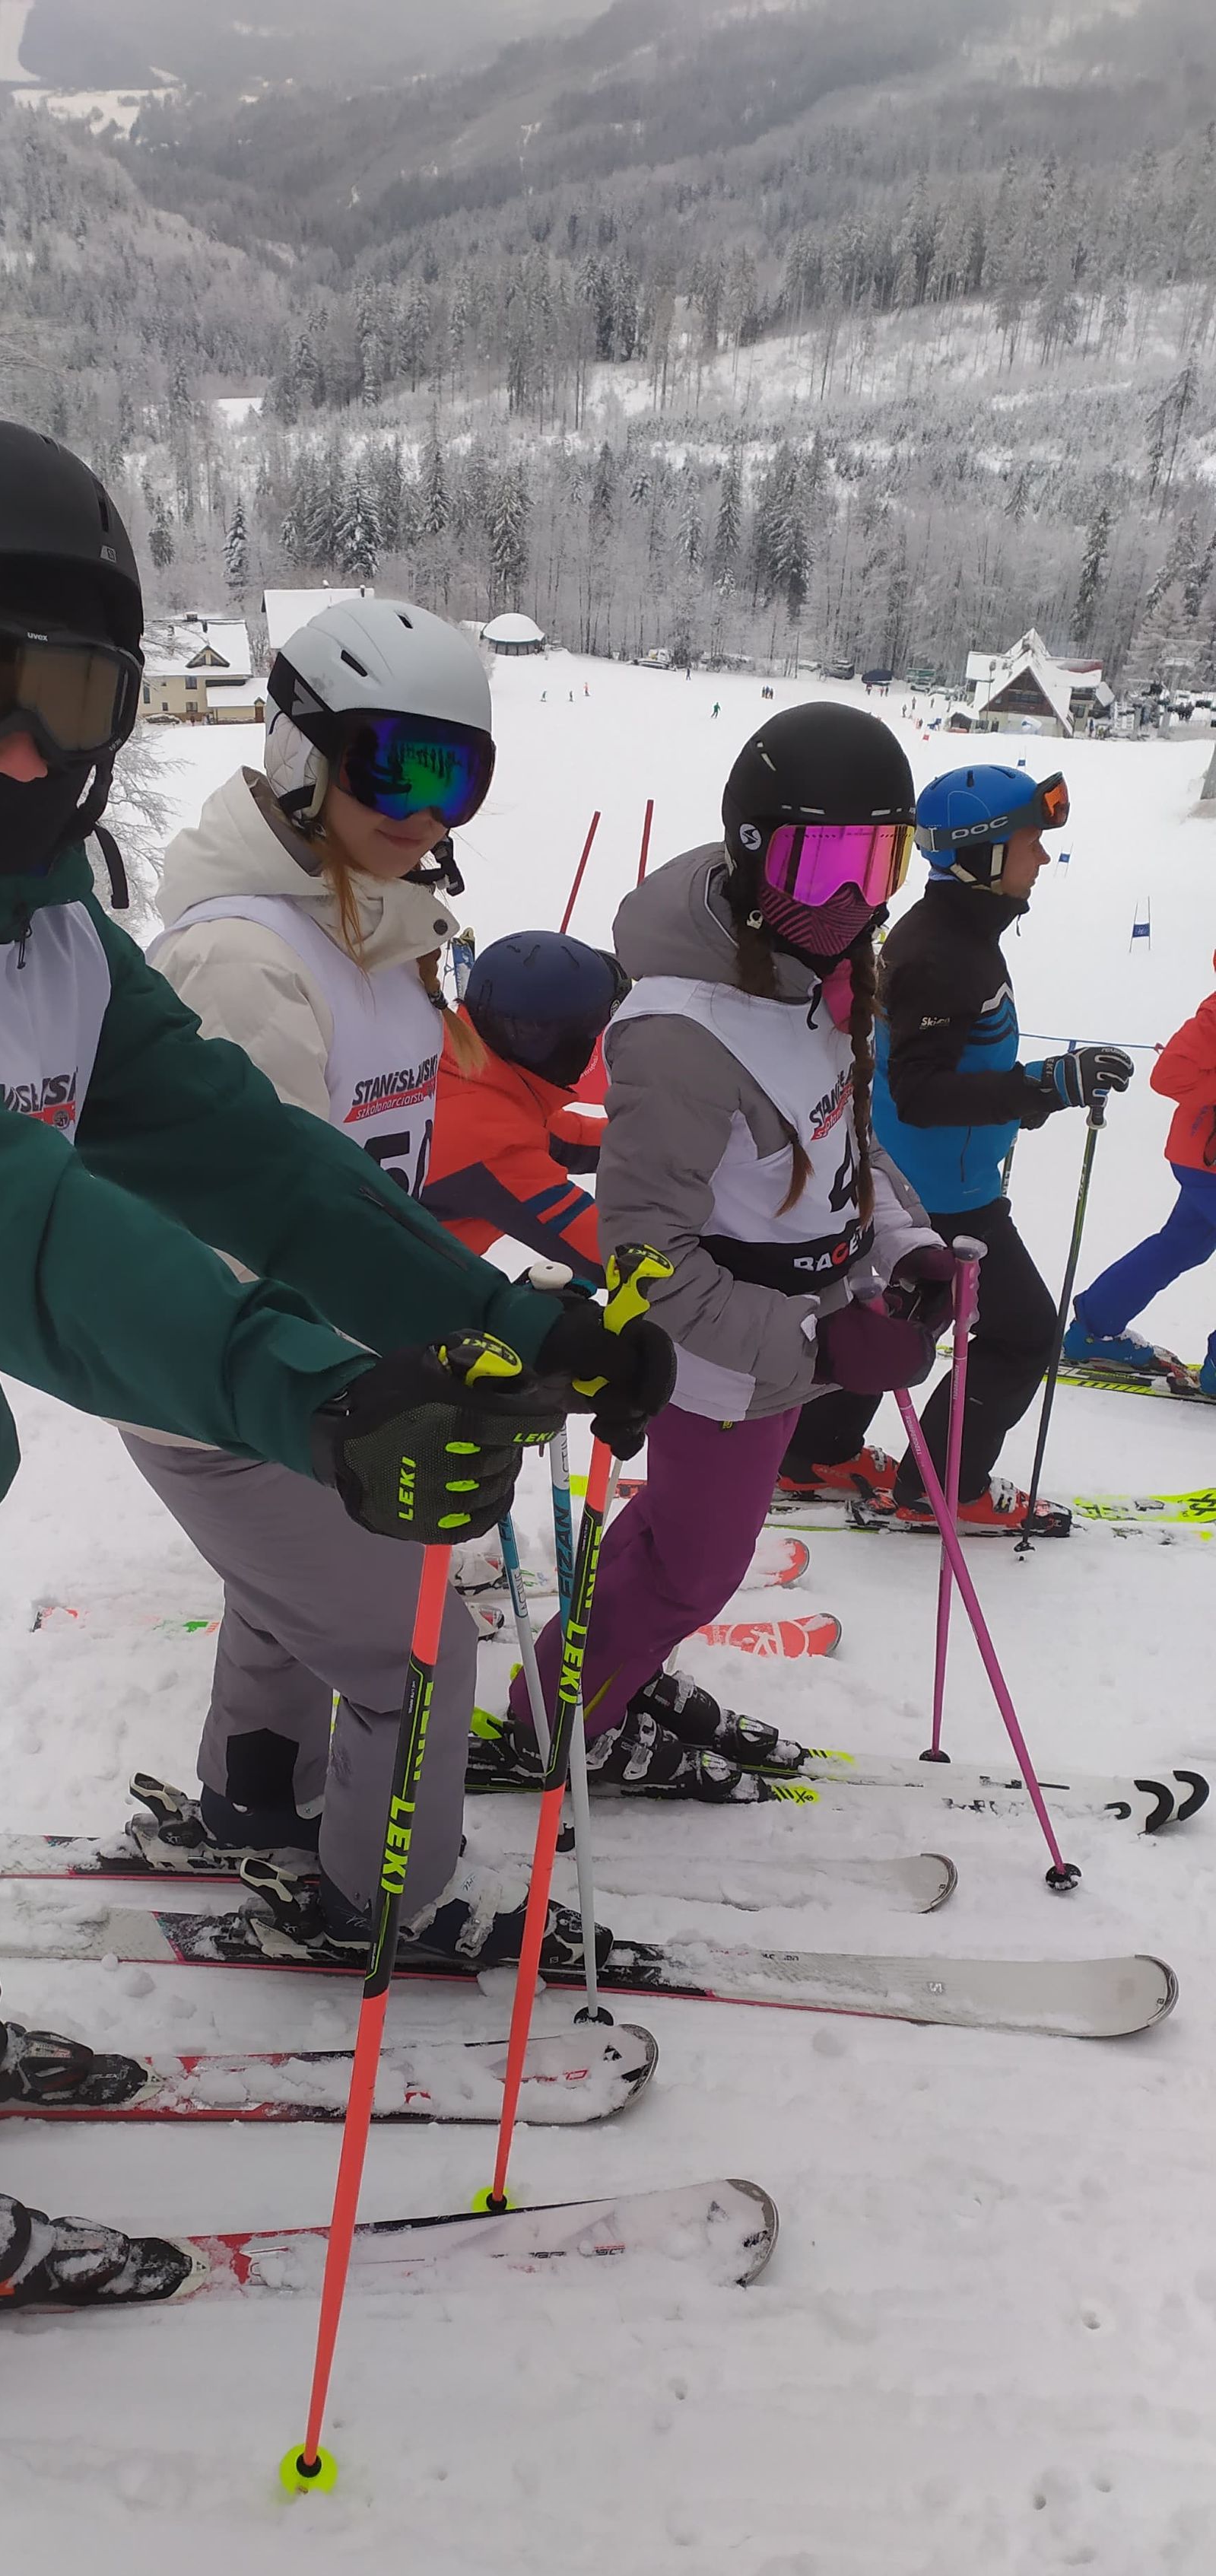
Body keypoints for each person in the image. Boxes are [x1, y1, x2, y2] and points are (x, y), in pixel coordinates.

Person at [0, 421, 668, 2321]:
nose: (20, 750)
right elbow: (2, 1225)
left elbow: (246, 1159)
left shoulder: (40, 919)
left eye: (68, 697)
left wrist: (497, 1321)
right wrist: (313, 1400)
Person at [122, 598, 672, 1968]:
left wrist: (492, 1308)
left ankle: (258, 1795)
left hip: (319, 1359)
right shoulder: (246, 960)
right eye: (393, 767)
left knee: (293, 1596)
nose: (424, 811)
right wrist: (405, 1353)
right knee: (415, 1649)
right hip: (230, 1371)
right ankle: (383, 1904)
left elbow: (388, 1178)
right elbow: (255, 1221)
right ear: (303, 753)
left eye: (457, 776)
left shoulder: (384, 935)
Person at [475, 704, 954, 1792]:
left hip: (783, 1339)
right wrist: (824, 1347)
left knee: (675, 1539)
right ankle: (561, 1719)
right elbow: (645, 1257)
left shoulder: (806, 974)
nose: (851, 899)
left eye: (879, 862)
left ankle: (601, 1674)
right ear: (750, 851)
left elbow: (843, 1143)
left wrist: (903, 1244)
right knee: (694, 1570)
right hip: (721, 1360)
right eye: (819, 864)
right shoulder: (682, 1033)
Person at [777, 764, 1133, 1531]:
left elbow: (946, 1068)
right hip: (939, 1196)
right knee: (1021, 1333)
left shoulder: (955, 935)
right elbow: (922, 1093)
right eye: (1030, 842)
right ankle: (943, 1487)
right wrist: (1043, 1085)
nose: (1042, 857)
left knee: (899, 1319)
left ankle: (814, 1454)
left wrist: (1024, 1097)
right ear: (982, 853)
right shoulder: (942, 954)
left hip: (930, 1180)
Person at [423, 930, 626, 1286]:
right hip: (383, 1303)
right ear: (563, 1046)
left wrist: (672, 1139)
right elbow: (610, 1255)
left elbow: (562, 1137)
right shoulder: (489, 1143)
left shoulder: (455, 1060)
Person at [1065, 954, 1216, 1388]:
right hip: (1207, 1160)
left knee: (1182, 1245)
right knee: (1180, 1245)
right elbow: (1169, 1076)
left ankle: (1096, 1328)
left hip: (1202, 1159)